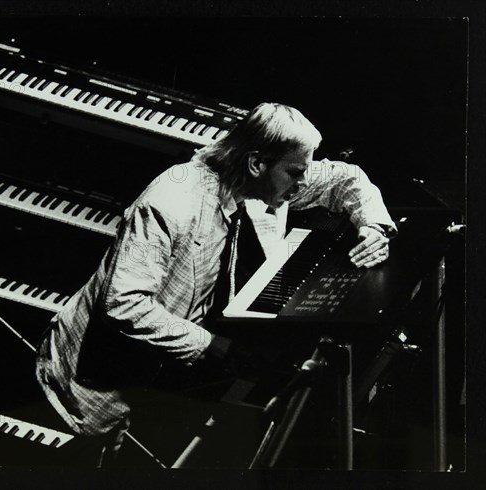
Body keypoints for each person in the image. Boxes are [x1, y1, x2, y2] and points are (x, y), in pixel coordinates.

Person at [35, 102, 397, 466]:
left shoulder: (252, 176)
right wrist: (216, 347)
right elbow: (124, 304)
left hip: (157, 365)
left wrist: (372, 226)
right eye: (295, 173)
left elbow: (345, 178)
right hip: (91, 382)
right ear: (257, 163)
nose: (303, 182)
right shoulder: (171, 204)